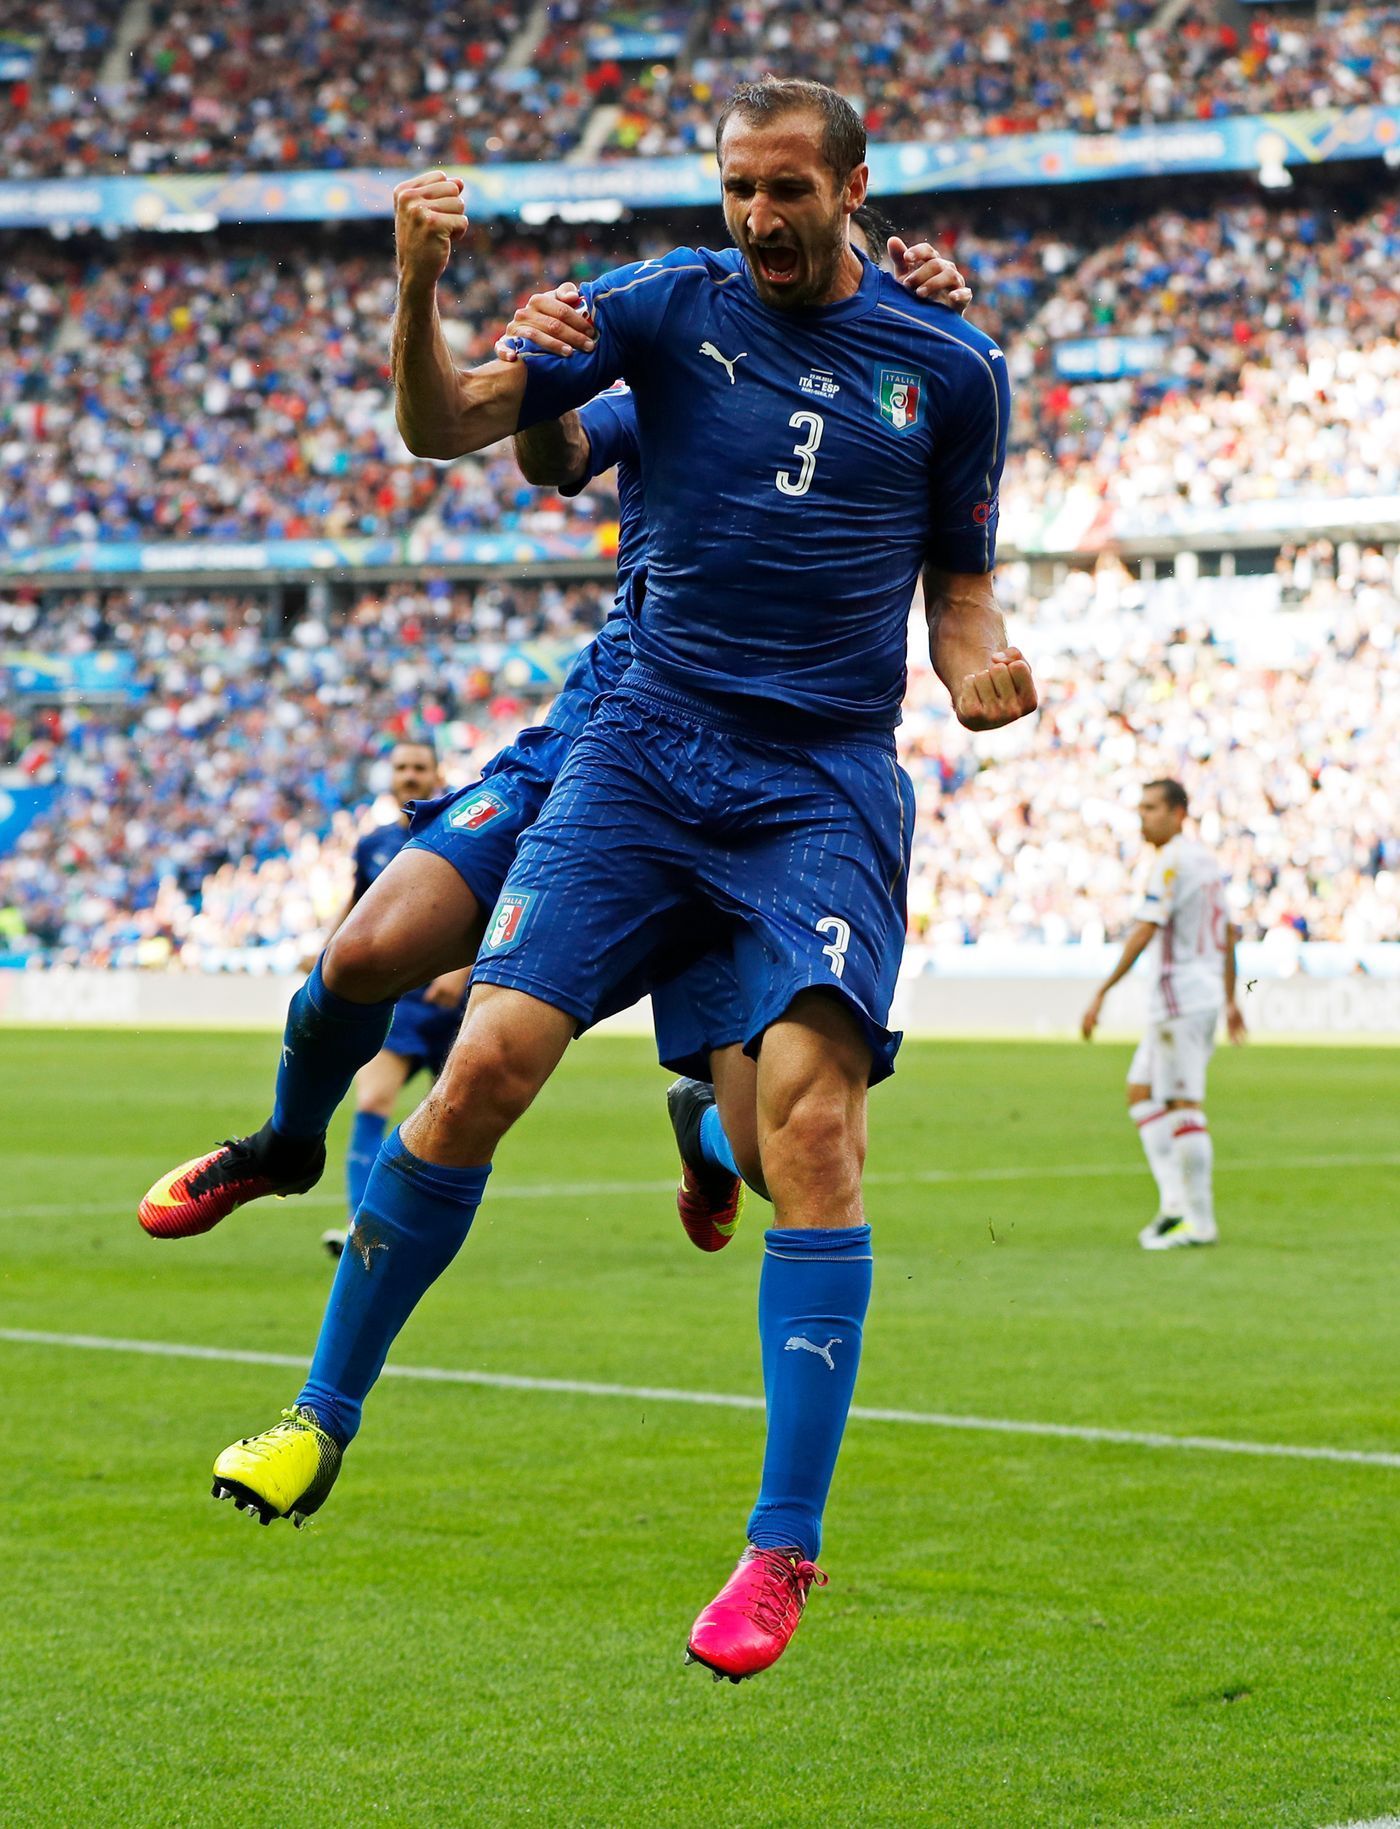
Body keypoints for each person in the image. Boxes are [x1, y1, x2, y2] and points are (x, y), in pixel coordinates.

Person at [204, 77, 1038, 1686]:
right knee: (483, 1066)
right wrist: (421, 289)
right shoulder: (663, 309)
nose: (761, 219)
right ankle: (318, 1414)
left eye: (790, 190)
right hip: (641, 750)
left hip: (818, 784)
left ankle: (781, 1548)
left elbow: (962, 588)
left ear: (856, 187)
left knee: (809, 1122)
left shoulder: (952, 369)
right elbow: (453, 426)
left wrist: (986, 668)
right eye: (740, 189)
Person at [138, 208, 972, 1248]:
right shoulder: (685, 372)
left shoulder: (889, 395)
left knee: (771, 1158)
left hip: (764, 793)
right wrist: (500, 341)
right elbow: (553, 445)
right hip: (609, 736)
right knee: (364, 952)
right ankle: (285, 1144)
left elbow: (941, 483)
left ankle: (705, 1134)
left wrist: (916, 315)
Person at [323, 739, 472, 1260]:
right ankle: (359, 1224)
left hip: (462, 1006)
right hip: (402, 1001)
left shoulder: (464, 829)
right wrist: (327, 956)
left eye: (419, 768)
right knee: (371, 1100)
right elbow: (359, 906)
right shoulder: (375, 845)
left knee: (457, 1119)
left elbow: (494, 905)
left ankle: (428, 1230)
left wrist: (464, 969)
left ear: (437, 775)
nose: (410, 776)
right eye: (402, 768)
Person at [1081, 778, 1246, 1249]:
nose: (1143, 817)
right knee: (1141, 1092)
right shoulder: (1206, 862)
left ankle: (1199, 1220)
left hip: (1182, 999)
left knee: (1181, 1103)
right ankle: (1175, 1205)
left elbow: (1145, 931)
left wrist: (1102, 991)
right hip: (1200, 994)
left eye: (1152, 808)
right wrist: (1232, 998)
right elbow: (1230, 934)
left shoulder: (1171, 860)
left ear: (1178, 813)